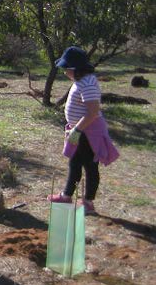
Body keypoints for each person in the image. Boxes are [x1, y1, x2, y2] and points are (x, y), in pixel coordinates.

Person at [48, 46, 119, 215]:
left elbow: (93, 112)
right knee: (74, 162)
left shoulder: (87, 83)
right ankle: (66, 195)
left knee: (90, 166)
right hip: (80, 130)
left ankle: (88, 202)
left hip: (88, 132)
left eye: (66, 69)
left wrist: (77, 130)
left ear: (76, 69)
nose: (64, 72)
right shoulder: (80, 81)